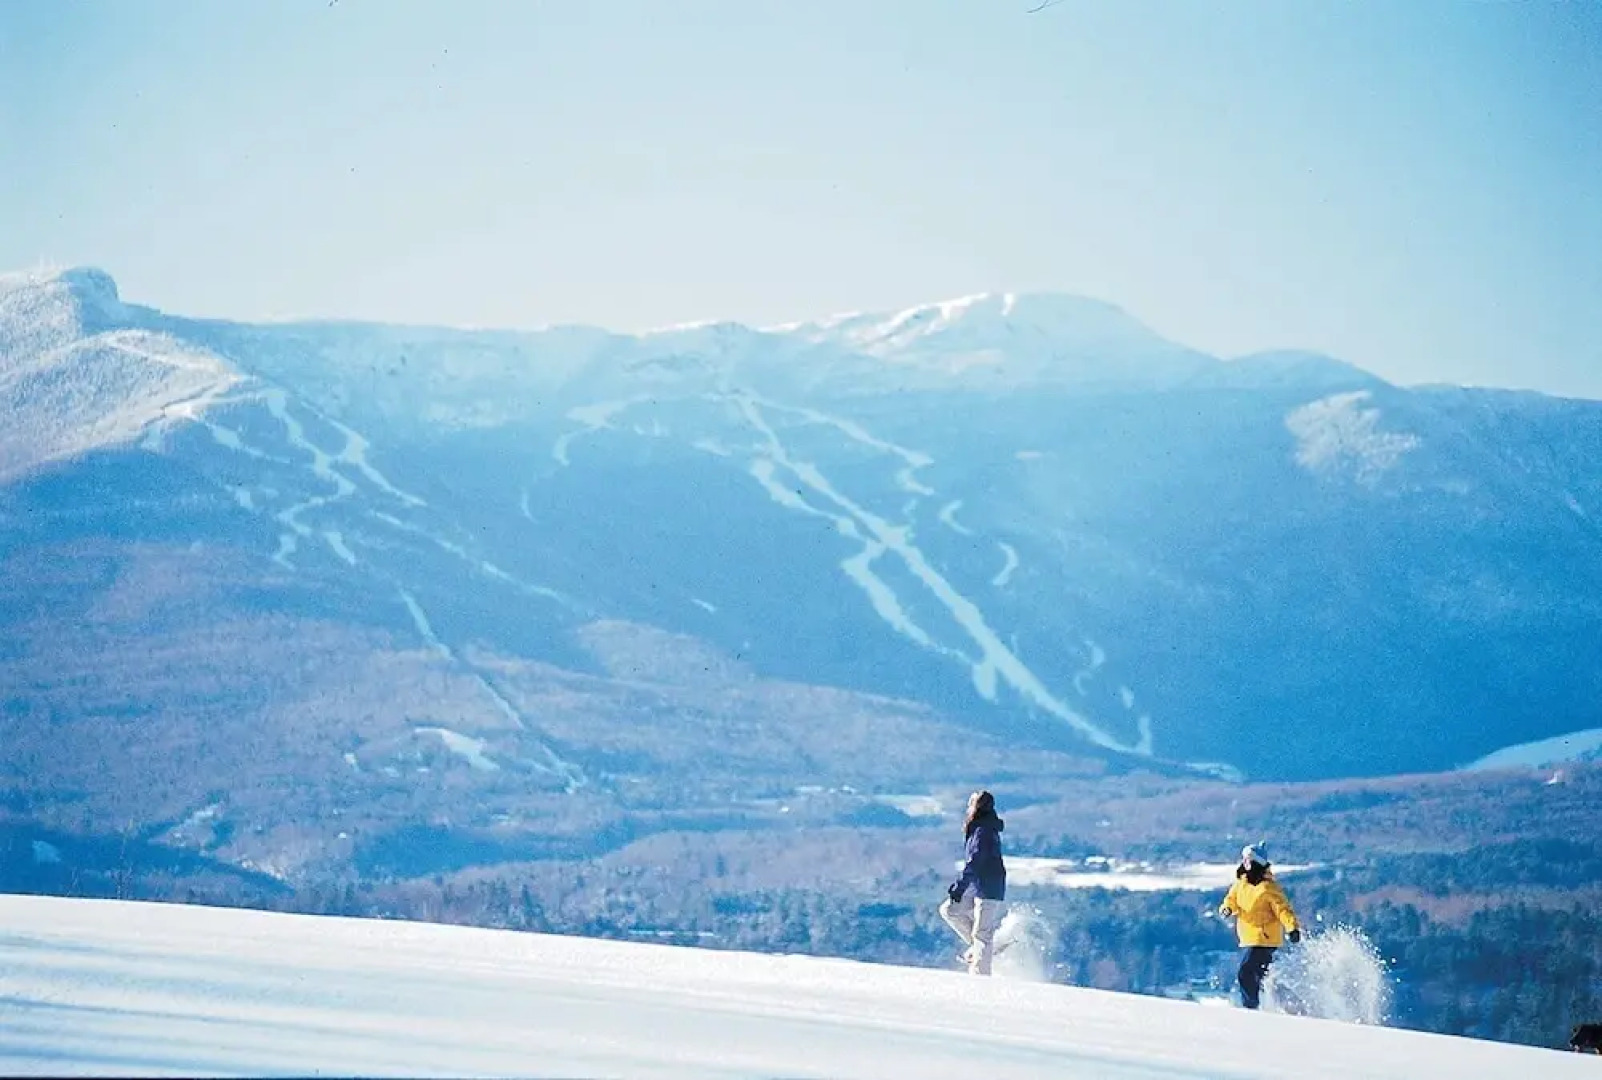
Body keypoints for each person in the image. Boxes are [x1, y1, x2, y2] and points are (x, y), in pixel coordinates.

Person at [1217, 842, 1302, 1010]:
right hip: (1249, 938)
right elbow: (1231, 900)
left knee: (1246, 973)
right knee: (1260, 977)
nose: (1245, 864)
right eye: (1244, 860)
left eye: (1248, 861)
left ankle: (1251, 1008)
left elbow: (1283, 910)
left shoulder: (1268, 888)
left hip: (1265, 939)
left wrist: (1292, 928)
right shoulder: (1240, 884)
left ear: (1256, 863)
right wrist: (1227, 908)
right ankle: (1284, 1003)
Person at [939, 789, 1008, 975]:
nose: (967, 808)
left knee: (982, 933)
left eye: (970, 804)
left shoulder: (983, 831)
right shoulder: (981, 828)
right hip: (979, 884)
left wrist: (960, 887)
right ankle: (985, 949)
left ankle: (981, 976)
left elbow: (975, 862)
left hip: (988, 886)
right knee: (950, 910)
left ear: (976, 807)